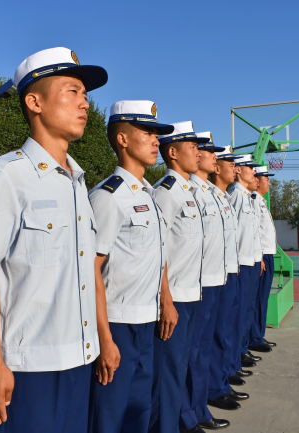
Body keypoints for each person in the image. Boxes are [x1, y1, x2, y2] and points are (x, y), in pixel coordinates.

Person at [0, 47, 108, 433]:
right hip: (30, 367)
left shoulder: (78, 183)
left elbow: (86, 271)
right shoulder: (6, 176)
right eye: (72, 92)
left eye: (85, 95)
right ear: (35, 102)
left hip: (80, 358)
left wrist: (101, 340)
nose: (85, 104)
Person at [88, 100, 175, 433]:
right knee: (110, 413)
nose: (156, 141)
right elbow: (90, 270)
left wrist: (166, 300)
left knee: (140, 409)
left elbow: (157, 256)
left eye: (157, 134)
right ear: (122, 139)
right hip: (118, 323)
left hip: (146, 320)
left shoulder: (149, 195)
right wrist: (104, 338)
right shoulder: (108, 196)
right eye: (148, 132)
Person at [149, 121, 209, 433]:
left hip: (190, 293)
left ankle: (178, 421)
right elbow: (157, 250)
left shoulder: (188, 191)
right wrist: (166, 299)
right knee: (168, 371)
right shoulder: (165, 192)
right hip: (173, 298)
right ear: (172, 152)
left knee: (180, 365)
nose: (198, 153)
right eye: (193, 147)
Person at [179, 132, 230, 433]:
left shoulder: (208, 192)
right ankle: (189, 412)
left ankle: (199, 407)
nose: (210, 156)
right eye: (205, 150)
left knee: (202, 349)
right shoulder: (186, 191)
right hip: (193, 283)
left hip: (210, 278)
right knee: (193, 351)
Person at [206, 145, 250, 406]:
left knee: (227, 328)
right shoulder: (215, 195)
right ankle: (216, 385)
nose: (235, 169)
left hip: (229, 270)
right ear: (217, 168)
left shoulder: (222, 197)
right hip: (213, 276)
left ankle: (222, 378)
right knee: (217, 334)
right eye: (230, 164)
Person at [227, 154, 264, 378]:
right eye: (249, 167)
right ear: (239, 170)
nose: (253, 171)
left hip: (249, 261)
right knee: (237, 313)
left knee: (246, 309)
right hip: (240, 263)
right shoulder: (235, 195)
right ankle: (235, 356)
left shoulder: (246, 196)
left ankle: (240, 351)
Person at [248, 167, 278, 352]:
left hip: (267, 253)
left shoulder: (261, 202)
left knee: (263, 297)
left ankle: (258, 334)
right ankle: (255, 337)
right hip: (262, 255)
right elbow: (255, 232)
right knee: (258, 298)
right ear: (257, 181)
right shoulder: (253, 201)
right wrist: (259, 257)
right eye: (266, 179)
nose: (269, 182)